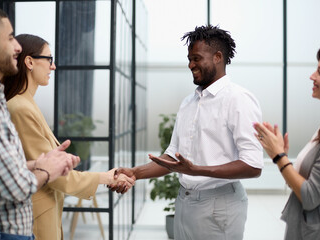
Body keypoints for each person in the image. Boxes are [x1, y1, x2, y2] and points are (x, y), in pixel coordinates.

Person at [111, 25, 264, 240]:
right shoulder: (189, 103)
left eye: (197, 58)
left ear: (218, 57)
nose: (191, 64)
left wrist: (197, 170)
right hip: (185, 201)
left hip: (219, 206)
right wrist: (135, 173)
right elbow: (173, 156)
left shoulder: (238, 99)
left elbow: (253, 165)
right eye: (189, 58)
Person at [0, 33, 135, 240]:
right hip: (35, 218)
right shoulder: (20, 108)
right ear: (29, 61)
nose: (53, 67)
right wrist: (104, 177)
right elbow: (51, 173)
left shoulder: (26, 104)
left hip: (42, 212)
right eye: (49, 59)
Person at [0, 4, 80, 240]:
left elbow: (3, 170)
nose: (17, 47)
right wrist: (48, 169)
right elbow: (15, 187)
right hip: (4, 233)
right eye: (11, 37)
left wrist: (37, 164)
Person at [253, 43, 320, 240]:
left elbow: (309, 196)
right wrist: (281, 154)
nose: (312, 77)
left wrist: (279, 156)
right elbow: (305, 183)